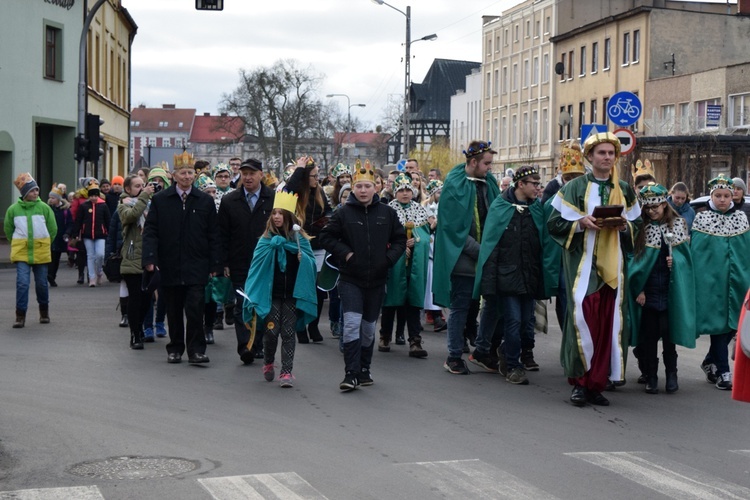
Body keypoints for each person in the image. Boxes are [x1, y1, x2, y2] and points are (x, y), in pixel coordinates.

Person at [548, 132, 641, 406]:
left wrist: (626, 227)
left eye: (611, 153)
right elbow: (553, 224)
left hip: (614, 268)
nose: (607, 158)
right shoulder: (574, 188)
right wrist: (580, 223)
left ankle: (597, 383)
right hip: (584, 267)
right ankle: (579, 382)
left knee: (607, 325)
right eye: (602, 153)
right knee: (582, 320)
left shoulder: (624, 189)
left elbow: (639, 228)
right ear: (590, 157)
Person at [319, 161, 406, 391]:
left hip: (377, 280)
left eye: (368, 186)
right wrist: (346, 254)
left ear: (375, 188)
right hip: (351, 279)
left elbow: (399, 240)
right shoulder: (343, 213)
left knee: (368, 329)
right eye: (359, 187)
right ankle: (350, 373)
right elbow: (326, 238)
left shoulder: (387, 212)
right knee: (351, 325)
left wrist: (388, 260)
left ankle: (364, 369)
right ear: (353, 188)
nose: (363, 191)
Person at [142, 151, 220, 364]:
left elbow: (213, 234)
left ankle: (196, 350)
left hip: (197, 264)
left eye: (189, 173)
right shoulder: (160, 200)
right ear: (174, 175)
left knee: (195, 310)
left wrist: (215, 263)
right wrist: (150, 259)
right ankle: (175, 348)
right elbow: (151, 232)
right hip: (170, 264)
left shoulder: (204, 201)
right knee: (174, 310)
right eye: (182, 173)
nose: (186, 176)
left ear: (194, 176)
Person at [472, 166, 546, 385]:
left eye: (539, 183)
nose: (538, 187)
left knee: (525, 323)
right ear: (521, 184)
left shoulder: (536, 209)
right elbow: (491, 246)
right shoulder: (501, 207)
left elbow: (542, 245)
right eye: (534, 183)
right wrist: (490, 281)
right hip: (506, 277)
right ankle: (513, 365)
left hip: (529, 276)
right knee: (512, 321)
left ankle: (505, 352)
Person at [432, 140, 500, 375]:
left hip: (488, 257)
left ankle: (481, 350)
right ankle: (453, 356)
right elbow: (453, 229)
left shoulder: (489, 182)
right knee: (460, 306)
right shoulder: (454, 184)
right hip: (464, 258)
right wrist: (482, 251)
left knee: (492, 304)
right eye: (487, 163)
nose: (490, 168)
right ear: (473, 162)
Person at [242, 190, 317, 388]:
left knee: (289, 332)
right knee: (272, 331)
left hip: (292, 293)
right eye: (274, 213)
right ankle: (268, 362)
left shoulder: (299, 240)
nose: (276, 217)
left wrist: (304, 261)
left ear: (289, 216)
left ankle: (286, 372)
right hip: (271, 294)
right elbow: (256, 268)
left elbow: (310, 263)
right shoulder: (266, 241)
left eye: (280, 213)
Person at [628, 183, 695, 394]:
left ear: (664, 205)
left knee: (668, 337)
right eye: (648, 208)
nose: (652, 211)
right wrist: (639, 289)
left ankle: (672, 374)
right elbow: (636, 262)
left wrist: (675, 264)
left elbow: (686, 260)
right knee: (649, 337)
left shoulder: (678, 225)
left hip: (669, 291)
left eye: (656, 206)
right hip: (648, 292)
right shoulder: (642, 229)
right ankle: (651, 376)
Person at [693, 174, 750, 390]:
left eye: (727, 195)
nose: (723, 199)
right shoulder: (702, 218)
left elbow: (745, 252)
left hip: (736, 282)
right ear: (712, 196)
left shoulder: (741, 219)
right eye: (718, 196)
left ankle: (710, 360)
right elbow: (698, 254)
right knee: (718, 326)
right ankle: (724, 373)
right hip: (712, 284)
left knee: (732, 325)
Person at [218, 158, 275, 364]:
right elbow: (222, 234)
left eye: (252, 173)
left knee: (260, 303)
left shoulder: (273, 198)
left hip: (265, 262)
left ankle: (258, 343)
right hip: (238, 260)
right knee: (243, 303)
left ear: (261, 175)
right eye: (245, 174)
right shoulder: (230, 200)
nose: (248, 177)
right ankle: (245, 347)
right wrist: (224, 262)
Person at [379, 173, 430, 358]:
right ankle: (385, 335)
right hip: (395, 263)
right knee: (390, 301)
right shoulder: (387, 210)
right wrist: (399, 246)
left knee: (412, 302)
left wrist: (416, 241)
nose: (405, 194)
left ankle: (415, 341)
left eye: (408, 190)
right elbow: (383, 238)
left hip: (413, 265)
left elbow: (425, 236)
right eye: (401, 190)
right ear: (395, 193)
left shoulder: (419, 210)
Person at [285, 157, 333, 344]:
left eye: (318, 175)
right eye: (313, 176)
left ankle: (313, 324)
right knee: (302, 287)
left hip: (319, 246)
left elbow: (329, 211)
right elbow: (287, 192)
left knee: (319, 289)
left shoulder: (320, 192)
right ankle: (299, 326)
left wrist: (325, 220)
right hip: (300, 246)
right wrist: (299, 170)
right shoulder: (296, 193)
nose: (317, 179)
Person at [5, 173, 57, 328]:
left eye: (37, 190)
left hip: (41, 252)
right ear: (24, 193)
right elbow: (9, 230)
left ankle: (44, 311)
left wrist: (45, 243)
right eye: (32, 190)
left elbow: (52, 229)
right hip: (21, 253)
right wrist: (17, 243)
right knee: (22, 283)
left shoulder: (44, 208)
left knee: (41, 283)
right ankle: (20, 316)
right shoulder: (13, 210)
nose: (36, 193)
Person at [118, 174, 155, 350]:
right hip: (133, 257)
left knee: (147, 299)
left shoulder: (150, 204)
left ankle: (140, 327)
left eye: (143, 185)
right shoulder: (124, 204)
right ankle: (135, 333)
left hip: (150, 255)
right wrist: (144, 196)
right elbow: (131, 216)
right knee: (135, 298)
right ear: (128, 189)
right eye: (137, 186)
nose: (141, 188)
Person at [71, 179, 110, 287]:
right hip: (87, 234)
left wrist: (109, 232)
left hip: (100, 234)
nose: (93, 198)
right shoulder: (84, 206)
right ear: (89, 196)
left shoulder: (103, 206)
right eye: (91, 195)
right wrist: (76, 233)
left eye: (95, 195)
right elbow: (79, 220)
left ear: (98, 195)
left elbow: (108, 220)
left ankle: (99, 272)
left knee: (100, 254)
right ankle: (92, 278)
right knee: (90, 256)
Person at [422, 179, 446, 332]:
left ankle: (437, 315)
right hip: (429, 251)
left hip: (439, 250)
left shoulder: (444, 207)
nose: (441, 195)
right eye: (438, 192)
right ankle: (435, 316)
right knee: (427, 285)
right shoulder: (426, 208)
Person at [47, 184, 73, 288]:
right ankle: (49, 275)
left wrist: (67, 233)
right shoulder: (48, 209)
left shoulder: (65, 210)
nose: (51, 200)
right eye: (50, 198)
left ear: (58, 199)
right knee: (50, 257)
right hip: (49, 236)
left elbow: (70, 223)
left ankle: (52, 276)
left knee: (56, 257)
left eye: (53, 198)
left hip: (60, 236)